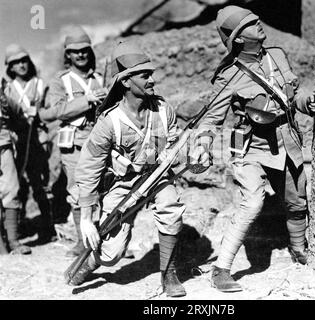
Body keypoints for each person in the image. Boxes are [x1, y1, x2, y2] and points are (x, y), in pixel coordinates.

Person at [192, 5, 315, 292]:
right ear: (238, 38)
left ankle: (298, 248)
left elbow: (292, 94)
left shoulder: (276, 55)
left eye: (256, 20)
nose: (259, 25)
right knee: (252, 202)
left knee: (297, 200)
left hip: (285, 140)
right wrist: (202, 146)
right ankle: (221, 269)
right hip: (250, 146)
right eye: (251, 25)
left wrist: (307, 103)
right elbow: (212, 118)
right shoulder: (228, 75)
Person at [66, 41, 187, 298]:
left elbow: (177, 138)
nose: (153, 80)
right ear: (126, 82)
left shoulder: (164, 110)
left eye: (151, 73)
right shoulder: (110, 122)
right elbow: (89, 167)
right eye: (145, 75)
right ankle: (91, 262)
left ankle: (169, 273)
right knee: (112, 254)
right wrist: (87, 217)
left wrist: (185, 151)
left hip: (157, 176)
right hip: (123, 184)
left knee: (170, 207)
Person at [41, 26, 107, 257]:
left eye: (84, 50)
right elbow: (57, 111)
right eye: (75, 51)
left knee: (104, 189)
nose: (80, 55)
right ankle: (82, 242)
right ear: (67, 55)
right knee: (79, 191)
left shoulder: (100, 79)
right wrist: (86, 101)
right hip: (75, 143)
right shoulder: (61, 81)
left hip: (100, 140)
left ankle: (105, 238)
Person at [4, 44, 56, 245]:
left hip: (37, 142)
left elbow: (52, 112)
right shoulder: (7, 89)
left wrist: (39, 115)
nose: (21, 65)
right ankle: (20, 224)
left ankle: (47, 227)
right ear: (10, 67)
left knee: (40, 185)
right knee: (16, 186)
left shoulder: (41, 85)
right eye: (16, 62)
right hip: (16, 143)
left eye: (24, 60)